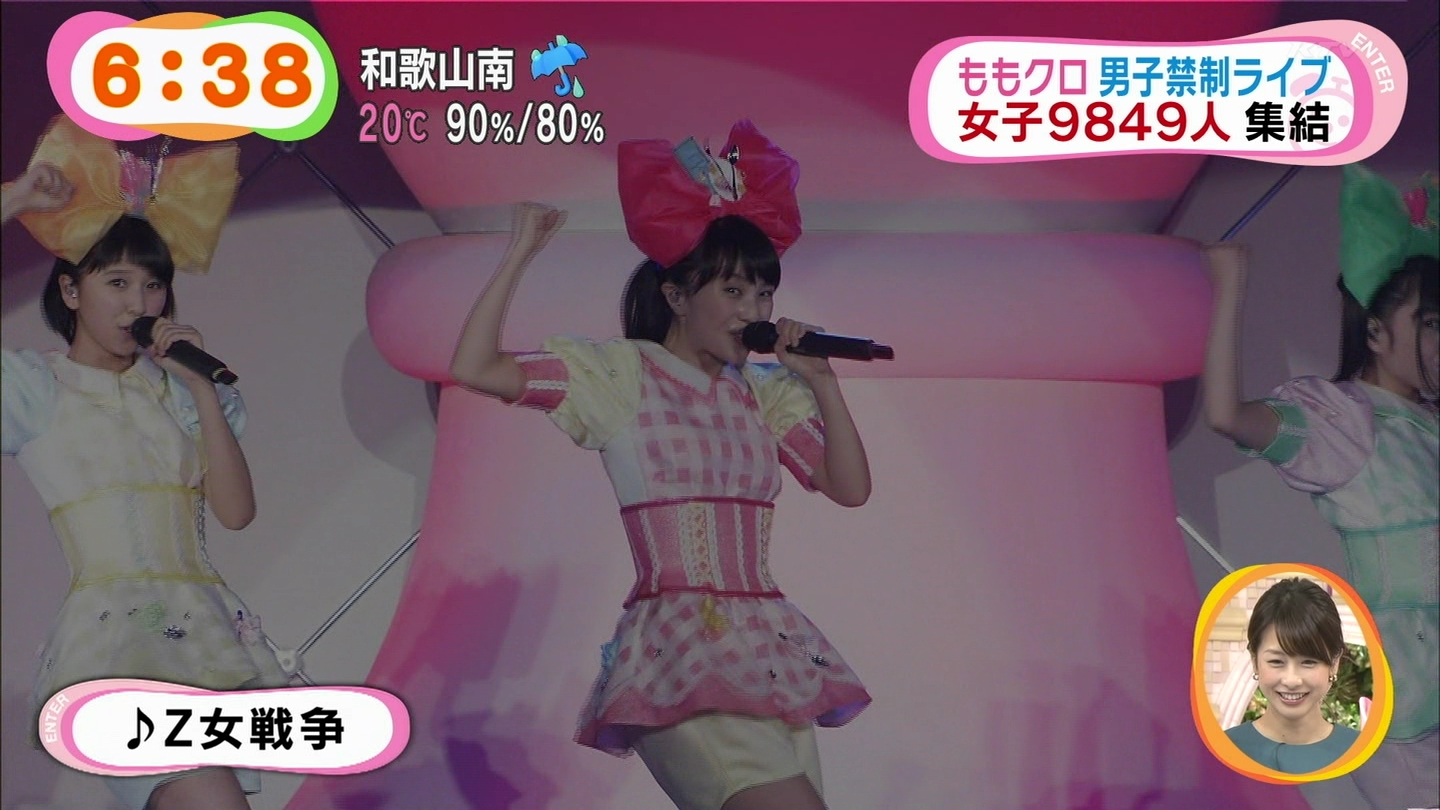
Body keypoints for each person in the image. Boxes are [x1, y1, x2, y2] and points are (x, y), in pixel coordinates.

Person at [449, 120, 873, 810]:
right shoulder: (622, 376)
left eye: (762, 294)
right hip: (680, 651)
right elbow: (476, 368)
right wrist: (520, 253)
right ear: (677, 297)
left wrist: (823, 381)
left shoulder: (765, 392)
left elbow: (848, 488)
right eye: (732, 292)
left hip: (767, 649)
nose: (752, 311)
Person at [2, 115, 288, 810]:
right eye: (118, 283)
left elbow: (236, 513)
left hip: (206, 634)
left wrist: (202, 390)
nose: (139, 304)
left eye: (153, 286)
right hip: (117, 644)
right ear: (71, 291)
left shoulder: (182, 392)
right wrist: (14, 200)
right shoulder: (37, 388)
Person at [1203, 164, 1438, 806]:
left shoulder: (1429, 424)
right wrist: (1228, 285)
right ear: (1375, 331)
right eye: (1429, 323)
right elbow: (1227, 416)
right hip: (1401, 693)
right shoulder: (1347, 421)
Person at [1225, 577, 1360, 773]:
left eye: (1309, 662)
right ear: (1255, 661)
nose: (1291, 680)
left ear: (1334, 663)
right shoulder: (1224, 750)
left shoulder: (1362, 753)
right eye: (1276, 662)